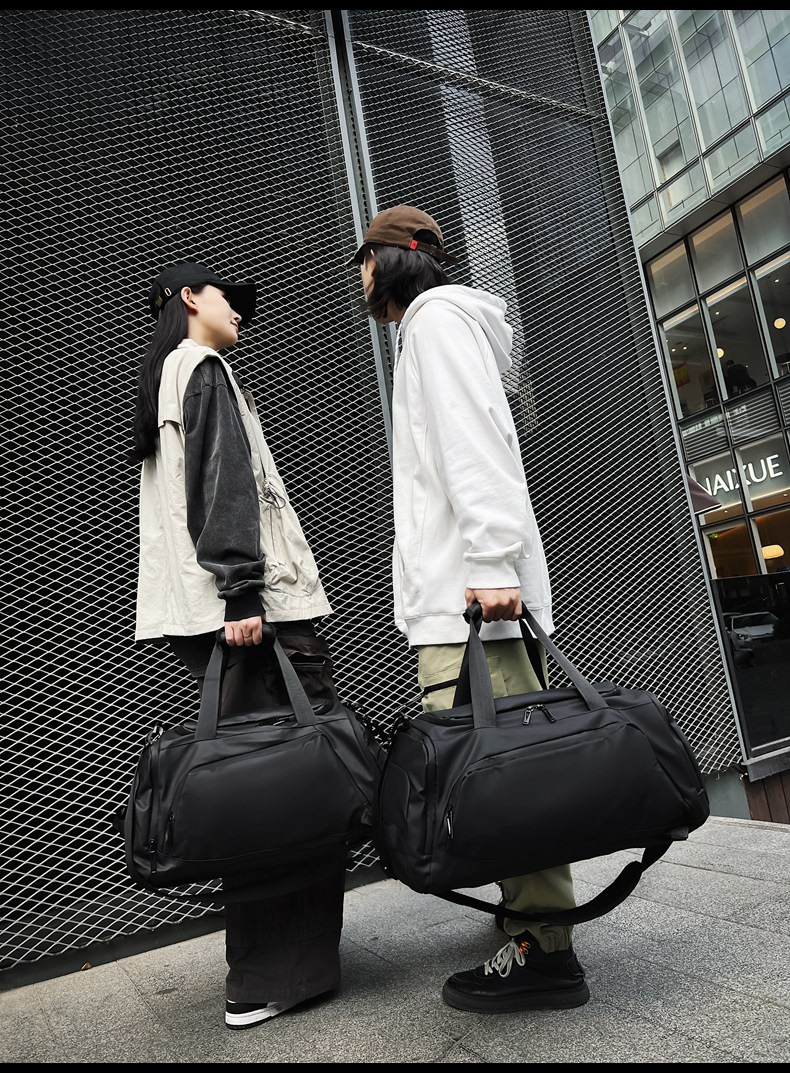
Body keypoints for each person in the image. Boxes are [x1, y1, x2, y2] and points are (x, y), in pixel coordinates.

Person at [350, 206, 589, 1013]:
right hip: (465, 596)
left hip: (471, 600)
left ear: (391, 259)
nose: (360, 277)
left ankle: (545, 948)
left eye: (364, 259)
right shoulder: (439, 326)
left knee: (501, 768)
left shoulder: (435, 322)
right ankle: (532, 918)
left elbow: (473, 440)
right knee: (494, 763)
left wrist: (488, 561)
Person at [131, 259, 344, 1031]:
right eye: (230, 298)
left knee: (262, 788)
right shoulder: (203, 367)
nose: (241, 313)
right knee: (297, 784)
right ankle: (272, 975)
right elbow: (222, 486)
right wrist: (243, 589)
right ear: (191, 298)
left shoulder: (166, 377)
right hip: (255, 612)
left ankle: (269, 968)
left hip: (211, 613)